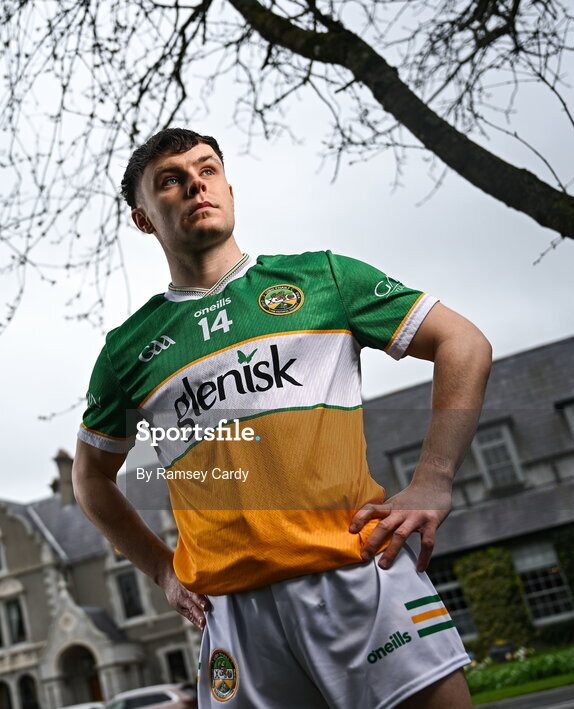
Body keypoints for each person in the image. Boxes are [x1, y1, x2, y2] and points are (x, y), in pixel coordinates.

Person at [72, 128, 491, 708]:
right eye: (171, 180)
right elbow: (91, 478)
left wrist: (434, 479)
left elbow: (463, 344)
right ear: (143, 219)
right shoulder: (126, 351)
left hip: (357, 574)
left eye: (208, 169)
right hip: (235, 616)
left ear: (228, 188)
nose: (197, 183)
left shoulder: (323, 277)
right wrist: (163, 571)